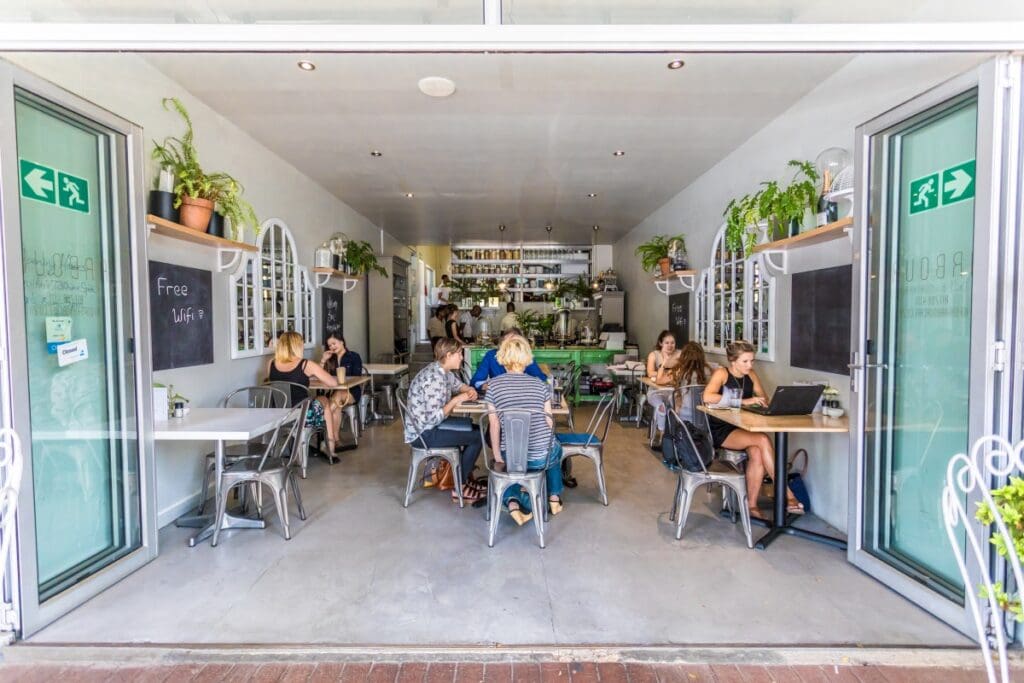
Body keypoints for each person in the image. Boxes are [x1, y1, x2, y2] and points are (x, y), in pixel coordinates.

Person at [703, 340, 804, 520]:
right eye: (745, 361)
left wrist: (759, 401)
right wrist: (743, 401)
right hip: (723, 428)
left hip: (744, 426)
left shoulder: (751, 374)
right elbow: (708, 397)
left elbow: (762, 397)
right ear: (733, 361)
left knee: (758, 451)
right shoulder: (722, 373)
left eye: (752, 361)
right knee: (763, 440)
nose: (750, 365)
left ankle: (751, 505)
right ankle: (787, 494)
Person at [484, 335, 564, 525]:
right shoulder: (539, 385)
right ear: (527, 358)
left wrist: (497, 456)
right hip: (541, 458)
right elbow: (549, 422)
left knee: (510, 464)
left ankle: (513, 505)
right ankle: (554, 499)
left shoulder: (493, 386)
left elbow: (494, 426)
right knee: (554, 448)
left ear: (502, 357)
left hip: (512, 458)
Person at [403, 338, 485, 503]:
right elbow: (432, 419)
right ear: (448, 355)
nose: (462, 357)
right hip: (423, 433)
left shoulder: (443, 371)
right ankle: (459, 486)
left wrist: (467, 390)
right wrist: (455, 401)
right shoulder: (435, 379)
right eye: (459, 354)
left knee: (475, 429)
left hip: (428, 427)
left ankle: (462, 476)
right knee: (478, 437)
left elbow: (457, 385)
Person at [266, 331, 343, 453]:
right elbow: (332, 383)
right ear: (297, 346)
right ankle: (330, 446)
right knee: (324, 400)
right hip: (302, 415)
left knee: (318, 400)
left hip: (279, 414)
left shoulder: (271, 363)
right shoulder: (305, 364)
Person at [652, 341, 713, 434]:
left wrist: (663, 363)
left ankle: (662, 432)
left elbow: (659, 381)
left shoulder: (680, 371)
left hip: (683, 416)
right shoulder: (709, 371)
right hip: (704, 417)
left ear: (684, 356)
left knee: (664, 402)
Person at [470, 328, 547, 390]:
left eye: (513, 342)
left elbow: (541, 380)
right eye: (505, 342)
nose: (508, 346)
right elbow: (476, 382)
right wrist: (486, 386)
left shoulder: (525, 356)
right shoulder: (491, 355)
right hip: (499, 396)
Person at [319, 334, 363, 408]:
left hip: (351, 392)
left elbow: (357, 378)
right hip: (333, 392)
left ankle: (325, 418)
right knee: (319, 400)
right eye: (330, 346)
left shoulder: (354, 356)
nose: (332, 347)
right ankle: (328, 417)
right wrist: (323, 360)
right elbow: (320, 375)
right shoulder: (330, 359)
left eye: (334, 343)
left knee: (338, 395)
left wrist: (340, 383)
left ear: (342, 342)